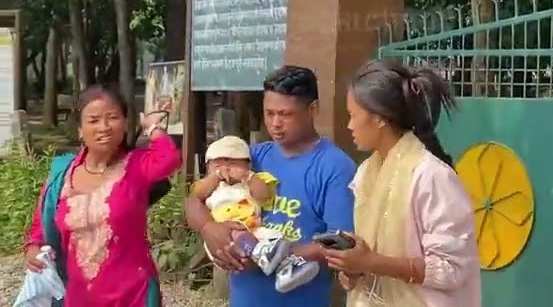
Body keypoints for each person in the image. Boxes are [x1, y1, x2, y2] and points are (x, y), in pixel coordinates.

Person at [185, 65, 357, 307]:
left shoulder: (335, 167)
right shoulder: (251, 158)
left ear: (313, 109)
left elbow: (341, 241)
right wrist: (209, 229)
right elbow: (193, 201)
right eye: (269, 113)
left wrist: (273, 256)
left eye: (285, 114)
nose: (275, 123)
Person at [321, 57, 481, 307]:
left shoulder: (431, 176)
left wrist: (371, 262)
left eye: (353, 115)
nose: (349, 126)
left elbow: (451, 269)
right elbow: (369, 264)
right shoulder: (366, 174)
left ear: (380, 118)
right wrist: (353, 267)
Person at [24, 85, 181, 307]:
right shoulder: (62, 174)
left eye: (113, 118)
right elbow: (42, 222)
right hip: (77, 296)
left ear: (125, 124)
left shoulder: (137, 165)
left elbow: (169, 159)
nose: (104, 127)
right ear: (80, 129)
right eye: (94, 120)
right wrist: (34, 247)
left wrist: (153, 127)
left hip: (133, 295)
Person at [189, 135, 319, 292]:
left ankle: (288, 269)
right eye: (217, 165)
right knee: (242, 238)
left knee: (277, 240)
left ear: (248, 165)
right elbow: (197, 194)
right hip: (225, 236)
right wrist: (215, 177)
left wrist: (248, 176)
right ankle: (264, 255)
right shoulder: (212, 187)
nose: (226, 168)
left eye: (233, 164)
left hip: (254, 229)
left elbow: (264, 196)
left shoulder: (251, 181)